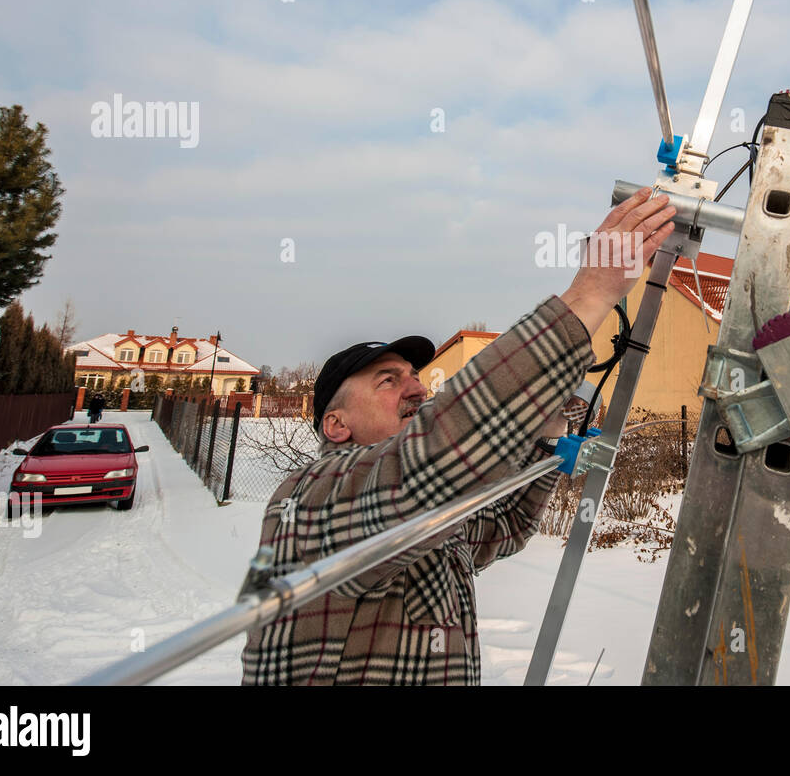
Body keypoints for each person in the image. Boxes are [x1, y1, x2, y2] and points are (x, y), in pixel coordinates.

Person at [239, 188, 676, 685]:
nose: (416, 388)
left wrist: (545, 435)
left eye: (412, 375)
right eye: (388, 380)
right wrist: (591, 292)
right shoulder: (306, 501)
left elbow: (501, 525)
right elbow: (433, 457)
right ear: (336, 424)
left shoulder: (425, 508)